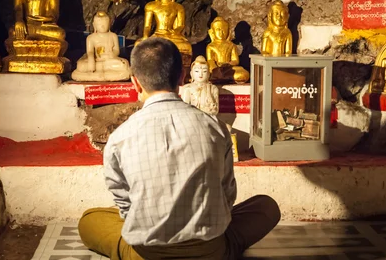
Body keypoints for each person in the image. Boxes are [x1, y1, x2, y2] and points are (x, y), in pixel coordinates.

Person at [78, 37, 281, 260]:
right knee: (266, 207)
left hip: (146, 255)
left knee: (90, 220)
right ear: (183, 77)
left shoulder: (120, 138)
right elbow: (227, 195)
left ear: (135, 82)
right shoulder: (215, 128)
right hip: (210, 251)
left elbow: (125, 205)